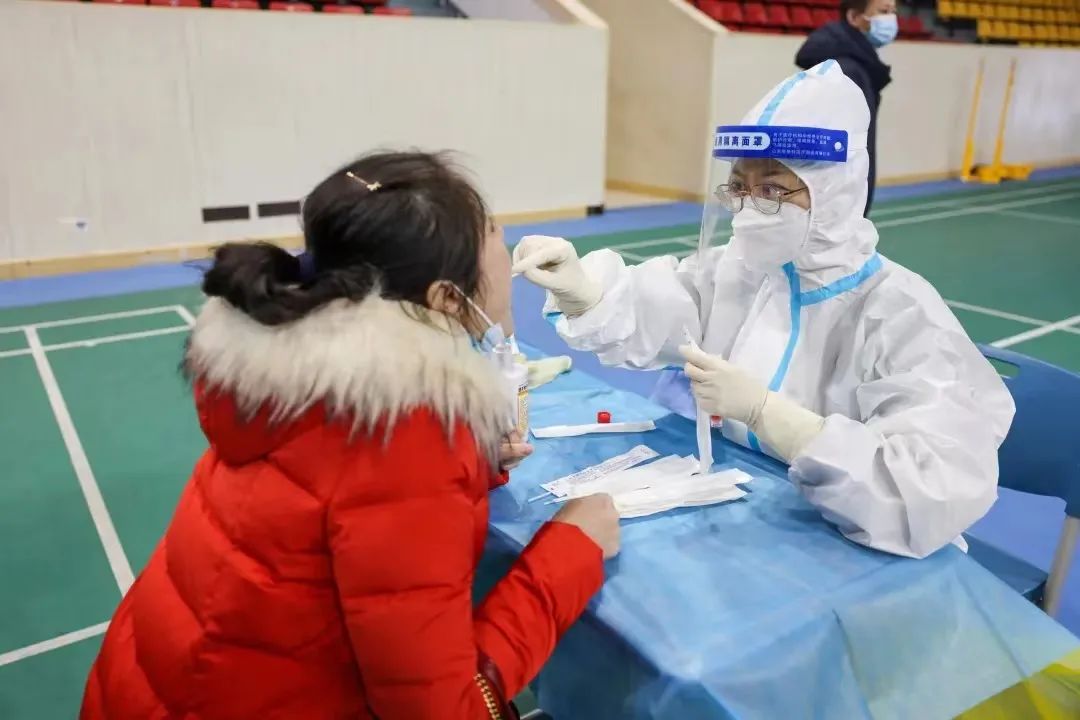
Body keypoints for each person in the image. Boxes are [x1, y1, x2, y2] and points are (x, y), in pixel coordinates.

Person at [81, 151, 620, 719]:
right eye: (494, 234)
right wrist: (571, 550)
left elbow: (332, 504)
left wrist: (465, 473)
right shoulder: (406, 431)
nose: (507, 251)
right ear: (445, 297)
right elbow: (443, 711)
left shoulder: (302, 373)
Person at [512, 63, 1015, 560]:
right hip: (749, 511)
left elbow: (928, 492)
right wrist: (585, 293)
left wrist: (775, 417)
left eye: (773, 189)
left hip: (862, 548)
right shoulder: (740, 271)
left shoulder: (901, 313)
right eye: (739, 187)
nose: (749, 208)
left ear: (833, 192)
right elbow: (663, 308)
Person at [795, 0, 895, 216]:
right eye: (883, 11)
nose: (891, 18)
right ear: (854, 17)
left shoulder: (855, 65)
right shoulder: (847, 70)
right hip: (837, 202)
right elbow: (849, 145)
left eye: (893, 11)